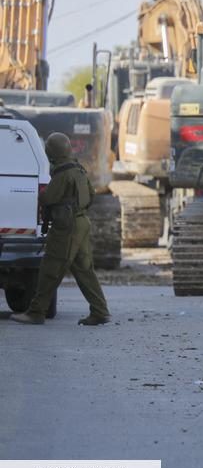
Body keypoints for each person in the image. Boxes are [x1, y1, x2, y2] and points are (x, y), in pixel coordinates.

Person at [11, 132, 111, 326]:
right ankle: (100, 310)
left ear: (51, 151)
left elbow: (48, 197)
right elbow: (91, 194)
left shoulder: (62, 173)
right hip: (81, 223)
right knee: (84, 270)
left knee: (50, 268)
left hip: (66, 227)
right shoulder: (78, 169)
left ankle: (36, 312)